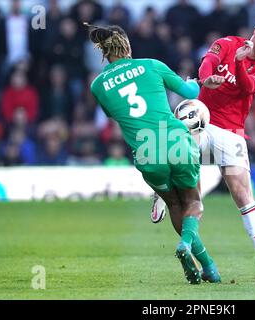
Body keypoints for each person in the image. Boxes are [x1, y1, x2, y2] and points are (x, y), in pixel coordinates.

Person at [152, 16, 255, 283]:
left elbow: (248, 86)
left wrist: (238, 63)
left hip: (232, 131)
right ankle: (161, 190)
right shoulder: (225, 43)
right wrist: (206, 80)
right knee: (188, 178)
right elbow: (207, 63)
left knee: (242, 195)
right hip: (202, 121)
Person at [86, 23, 220, 284]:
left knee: (173, 204)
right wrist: (194, 81)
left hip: (146, 152)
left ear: (103, 50)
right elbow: (191, 92)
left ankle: (206, 265)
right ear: (127, 45)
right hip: (174, 138)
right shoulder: (151, 65)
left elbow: (114, 114)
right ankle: (190, 249)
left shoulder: (98, 85)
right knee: (193, 202)